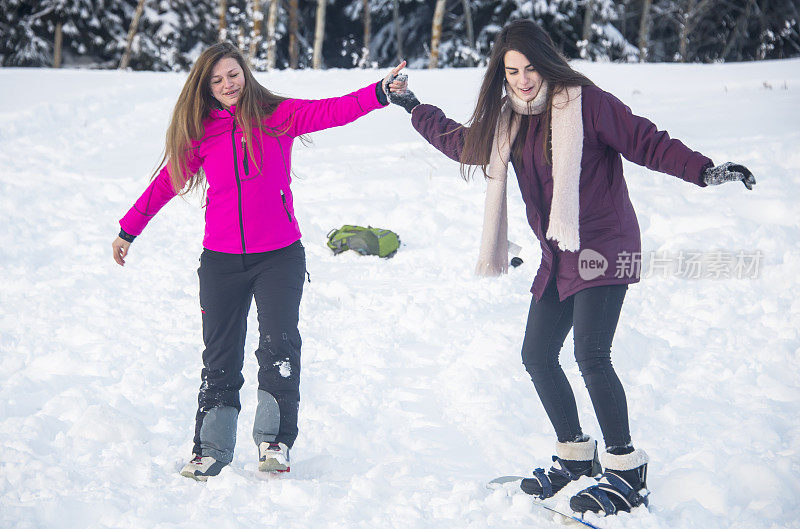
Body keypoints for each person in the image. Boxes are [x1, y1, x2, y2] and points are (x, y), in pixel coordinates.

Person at [387, 19, 755, 516]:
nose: (522, 79)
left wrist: (705, 171)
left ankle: (626, 470)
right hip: (560, 251)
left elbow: (647, 140)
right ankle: (576, 458)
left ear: (547, 62)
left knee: (591, 355)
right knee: (537, 355)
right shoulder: (507, 118)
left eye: (530, 67)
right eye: (511, 70)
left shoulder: (587, 102)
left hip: (604, 245)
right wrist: (413, 106)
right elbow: (463, 144)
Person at [112, 42, 407, 481]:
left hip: (280, 257)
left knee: (279, 346)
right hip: (221, 262)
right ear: (206, 88)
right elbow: (167, 181)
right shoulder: (202, 132)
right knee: (220, 356)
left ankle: (274, 440)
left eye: (232, 74)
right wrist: (128, 228)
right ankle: (211, 447)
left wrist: (380, 92)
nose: (227, 85)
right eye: (216, 80)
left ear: (244, 73)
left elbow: (332, 110)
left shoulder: (277, 115)